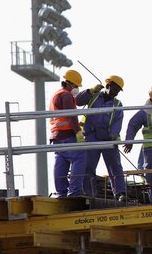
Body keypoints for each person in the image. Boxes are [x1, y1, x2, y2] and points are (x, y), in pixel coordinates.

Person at [76, 75, 127, 201]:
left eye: (118, 91)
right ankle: (89, 194)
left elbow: (117, 123)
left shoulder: (117, 104)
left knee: (115, 166)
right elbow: (78, 101)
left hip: (108, 139)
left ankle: (120, 193)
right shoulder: (93, 97)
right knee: (88, 166)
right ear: (108, 85)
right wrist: (90, 90)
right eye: (115, 89)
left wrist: (112, 136)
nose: (116, 93)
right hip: (91, 137)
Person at [49, 69, 86, 197]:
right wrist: (78, 132)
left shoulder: (56, 95)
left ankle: (61, 192)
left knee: (61, 161)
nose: (76, 88)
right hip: (67, 134)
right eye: (76, 86)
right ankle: (74, 191)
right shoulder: (67, 95)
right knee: (79, 157)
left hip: (57, 136)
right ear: (69, 83)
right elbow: (72, 116)